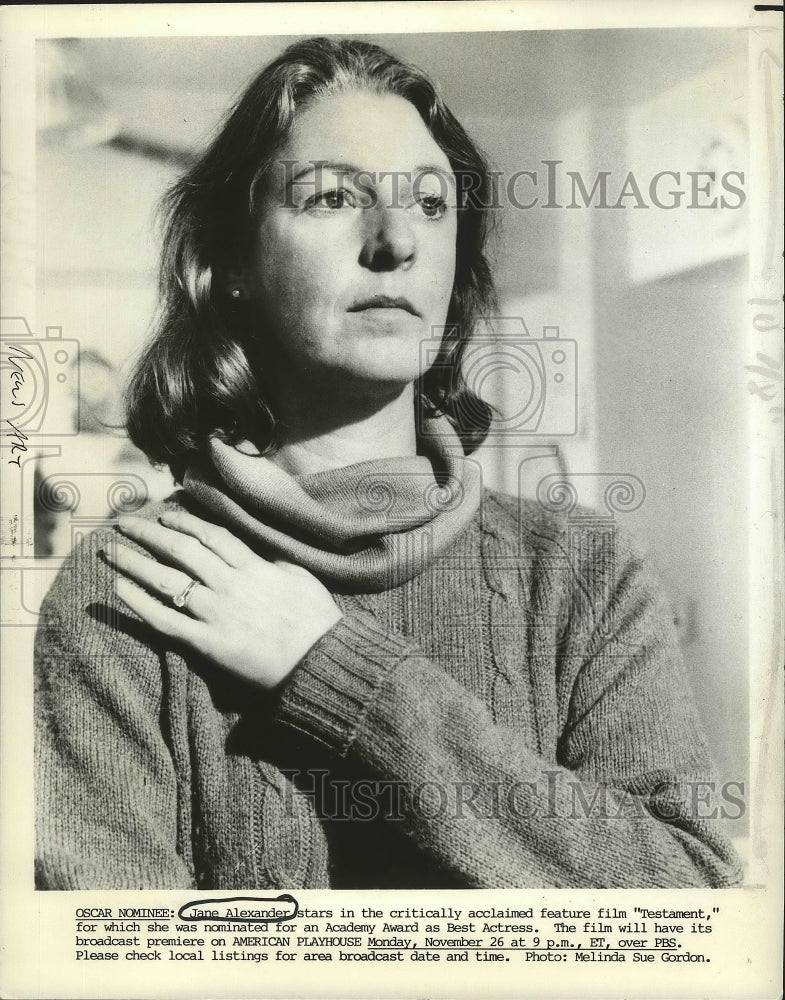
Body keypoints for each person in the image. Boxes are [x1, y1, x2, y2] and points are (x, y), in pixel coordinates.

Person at [34, 36, 742, 890]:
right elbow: (119, 966)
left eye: (432, 204)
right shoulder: (131, 586)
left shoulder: (583, 574)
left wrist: (329, 669)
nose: (395, 240)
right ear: (228, 267)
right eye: (333, 196)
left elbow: (688, 908)